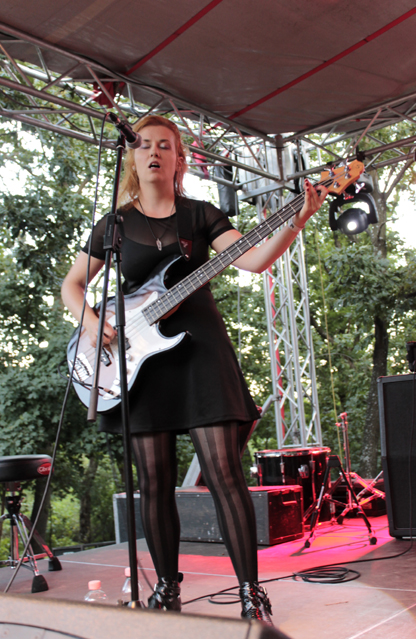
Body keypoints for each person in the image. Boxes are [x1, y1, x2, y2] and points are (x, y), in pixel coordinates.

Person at [61, 115, 327, 622]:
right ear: (132, 157)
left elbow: (254, 261)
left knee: (225, 474)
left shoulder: (201, 214)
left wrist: (298, 220)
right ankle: (166, 588)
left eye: (166, 145)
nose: (154, 151)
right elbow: (72, 285)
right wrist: (93, 322)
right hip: (138, 361)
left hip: (200, 351)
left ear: (179, 159)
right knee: (154, 480)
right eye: (144, 145)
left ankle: (251, 591)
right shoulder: (114, 225)